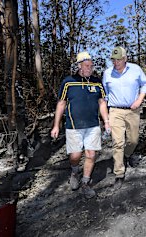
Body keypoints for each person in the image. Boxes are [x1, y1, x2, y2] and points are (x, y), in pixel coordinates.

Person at [51, 51, 110, 198]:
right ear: (79, 66)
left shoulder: (97, 82)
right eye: (86, 65)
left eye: (91, 65)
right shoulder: (68, 82)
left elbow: (102, 103)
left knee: (91, 154)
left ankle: (85, 182)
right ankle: (75, 171)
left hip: (93, 125)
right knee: (75, 155)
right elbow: (61, 104)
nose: (90, 68)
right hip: (74, 126)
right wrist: (56, 125)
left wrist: (106, 121)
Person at [102, 46, 146, 189]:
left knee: (133, 140)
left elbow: (145, 85)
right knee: (117, 142)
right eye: (113, 60)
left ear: (125, 59)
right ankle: (119, 174)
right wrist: (105, 114)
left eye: (118, 60)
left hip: (132, 110)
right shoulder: (107, 74)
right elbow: (105, 93)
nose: (115, 63)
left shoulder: (135, 70)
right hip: (115, 111)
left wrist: (139, 100)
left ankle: (127, 155)